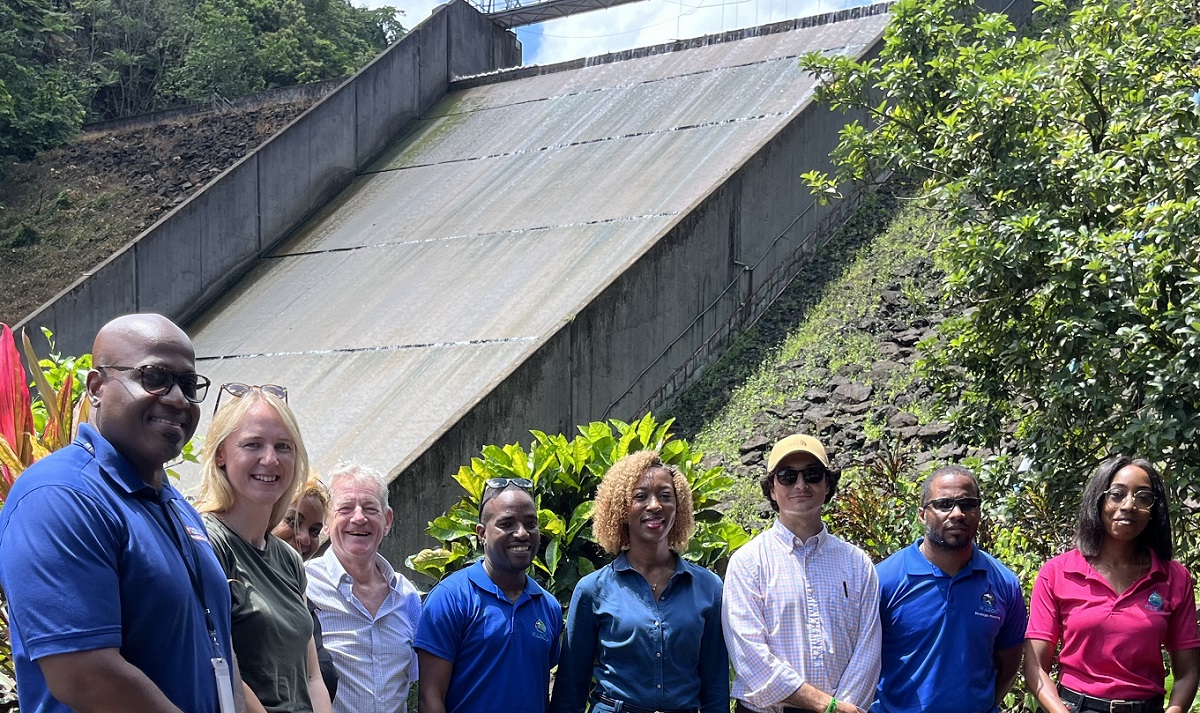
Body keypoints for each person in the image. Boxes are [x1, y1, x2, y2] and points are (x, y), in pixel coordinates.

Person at [0, 313, 240, 713]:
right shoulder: (59, 497)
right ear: (96, 387)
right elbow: (84, 675)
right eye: (154, 376)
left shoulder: (177, 507)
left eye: (187, 383)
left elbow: (217, 646)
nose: (178, 398)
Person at [549, 450, 729, 713]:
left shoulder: (708, 588)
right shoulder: (593, 590)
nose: (655, 505)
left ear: (679, 508)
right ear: (622, 508)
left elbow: (715, 688)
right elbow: (571, 687)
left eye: (665, 496)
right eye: (640, 496)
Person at [196, 383, 333, 713]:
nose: (270, 459)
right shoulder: (205, 543)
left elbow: (312, 675)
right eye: (252, 444)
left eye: (283, 446)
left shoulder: (288, 559)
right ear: (220, 454)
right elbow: (219, 671)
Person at [1024, 456, 1200, 713]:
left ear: (1153, 510)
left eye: (1143, 497)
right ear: (1098, 500)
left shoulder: (1174, 577)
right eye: (1117, 494)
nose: (1129, 505)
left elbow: (1188, 671)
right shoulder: (1057, 572)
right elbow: (1035, 665)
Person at [723, 433, 881, 713]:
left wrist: (843, 708)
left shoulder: (857, 563)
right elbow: (750, 656)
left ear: (827, 484)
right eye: (787, 476)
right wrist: (827, 706)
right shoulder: (748, 563)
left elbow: (868, 650)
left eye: (812, 474)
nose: (801, 485)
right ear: (772, 488)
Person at [872, 465, 1026, 713]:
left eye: (968, 504)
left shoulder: (1004, 583)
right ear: (922, 515)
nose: (957, 513)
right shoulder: (884, 580)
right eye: (944, 504)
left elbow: (1008, 663)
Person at [415, 479, 563, 713]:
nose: (522, 533)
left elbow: (538, 691)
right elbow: (430, 698)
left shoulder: (548, 606)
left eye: (530, 523)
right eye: (507, 524)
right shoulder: (450, 598)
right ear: (482, 534)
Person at [306, 463, 423, 713]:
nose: (359, 518)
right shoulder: (305, 586)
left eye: (370, 508)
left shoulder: (407, 596)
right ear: (327, 520)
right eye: (345, 508)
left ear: (388, 520)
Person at [273, 473, 339, 700]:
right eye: (292, 521)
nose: (303, 538)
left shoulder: (300, 598)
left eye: (314, 531)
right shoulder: (241, 588)